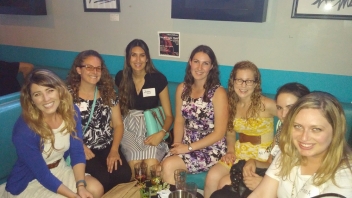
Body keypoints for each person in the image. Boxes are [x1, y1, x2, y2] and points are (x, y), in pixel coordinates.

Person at [2, 69, 103, 198]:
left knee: (96, 189)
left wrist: (81, 186)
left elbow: (77, 151)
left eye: (50, 90)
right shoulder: (24, 130)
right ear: (31, 99)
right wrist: (73, 195)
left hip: (59, 169)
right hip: (30, 181)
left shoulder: (71, 112)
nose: (46, 99)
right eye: (37, 94)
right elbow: (41, 174)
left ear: (59, 91)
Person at [210, 82, 310, 197]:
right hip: (271, 177)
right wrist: (253, 161)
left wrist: (263, 184)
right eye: (279, 108)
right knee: (221, 192)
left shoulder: (307, 142)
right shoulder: (283, 130)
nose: (284, 114)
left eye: (290, 107)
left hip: (278, 188)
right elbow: (271, 163)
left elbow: (298, 188)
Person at [249, 91, 352, 198]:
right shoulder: (288, 152)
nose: (303, 138)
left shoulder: (344, 178)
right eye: (298, 126)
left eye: (316, 129)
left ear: (336, 131)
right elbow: (262, 194)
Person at [204, 60, 277, 198]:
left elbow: (290, 120)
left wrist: (276, 146)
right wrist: (230, 150)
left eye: (249, 81)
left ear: (256, 83)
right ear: (233, 82)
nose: (243, 85)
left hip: (260, 158)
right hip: (239, 152)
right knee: (212, 176)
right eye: (239, 80)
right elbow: (230, 133)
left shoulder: (266, 104)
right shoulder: (232, 104)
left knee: (224, 183)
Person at [161, 45, 228, 184]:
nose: (199, 67)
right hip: (186, 143)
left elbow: (220, 132)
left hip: (210, 148)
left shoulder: (218, 93)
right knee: (159, 168)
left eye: (205, 63)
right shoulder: (182, 88)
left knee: (168, 166)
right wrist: (177, 145)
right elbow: (179, 121)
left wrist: (188, 148)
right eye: (196, 61)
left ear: (211, 67)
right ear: (190, 62)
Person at [67, 50, 131, 193]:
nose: (94, 71)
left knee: (124, 174)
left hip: (106, 145)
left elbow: (119, 124)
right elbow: (63, 127)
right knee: (104, 179)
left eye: (98, 68)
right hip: (82, 148)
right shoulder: (67, 96)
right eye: (89, 67)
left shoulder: (109, 93)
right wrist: (80, 146)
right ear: (78, 69)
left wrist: (114, 150)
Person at [115, 39, 173, 178]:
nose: (138, 59)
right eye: (133, 55)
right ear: (128, 58)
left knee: (150, 168)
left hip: (151, 128)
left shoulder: (158, 79)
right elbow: (118, 107)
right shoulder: (121, 77)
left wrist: (161, 133)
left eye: (142, 55)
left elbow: (169, 116)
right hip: (129, 127)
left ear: (147, 58)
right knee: (135, 170)